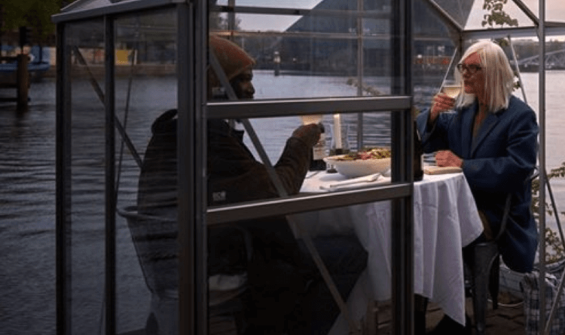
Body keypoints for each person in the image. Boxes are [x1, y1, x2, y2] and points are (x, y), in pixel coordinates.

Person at [138, 36, 365, 335]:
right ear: (214, 85)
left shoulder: (174, 131)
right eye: (242, 79)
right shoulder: (208, 137)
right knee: (352, 254)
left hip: (180, 267)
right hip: (218, 268)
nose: (252, 89)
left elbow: (248, 187)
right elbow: (276, 190)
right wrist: (300, 143)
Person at [417, 40, 539, 332]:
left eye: (474, 69)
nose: (466, 75)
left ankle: (456, 318)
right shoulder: (465, 112)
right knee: (422, 224)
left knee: (439, 227)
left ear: (495, 73)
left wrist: (463, 165)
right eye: (463, 68)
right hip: (462, 203)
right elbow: (426, 138)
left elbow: (519, 168)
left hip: (497, 212)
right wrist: (432, 114)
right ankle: (421, 312)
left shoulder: (519, 116)